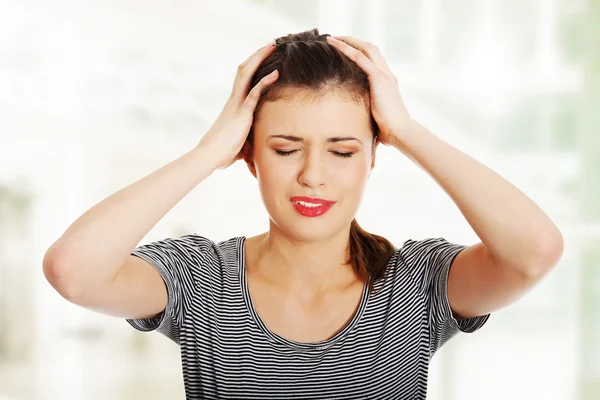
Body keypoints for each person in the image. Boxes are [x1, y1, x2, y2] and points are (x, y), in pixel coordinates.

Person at [43, 28, 564, 399]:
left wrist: (406, 129)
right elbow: (73, 271)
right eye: (286, 149)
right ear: (249, 156)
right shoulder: (201, 279)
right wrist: (206, 153)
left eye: (342, 151)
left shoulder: (416, 283)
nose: (314, 176)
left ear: (371, 158)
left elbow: (534, 252)